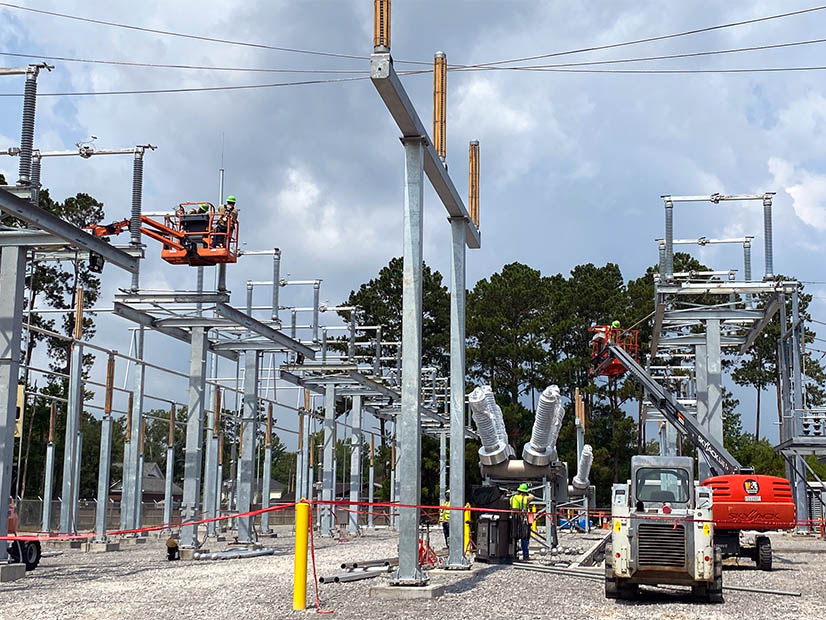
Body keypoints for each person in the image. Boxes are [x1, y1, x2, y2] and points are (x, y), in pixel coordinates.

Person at [511, 483, 535, 561]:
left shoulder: (512, 497)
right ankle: (525, 556)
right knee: (524, 537)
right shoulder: (525, 498)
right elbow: (532, 497)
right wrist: (527, 493)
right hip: (523, 519)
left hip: (514, 519)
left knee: (514, 536)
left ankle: (513, 554)